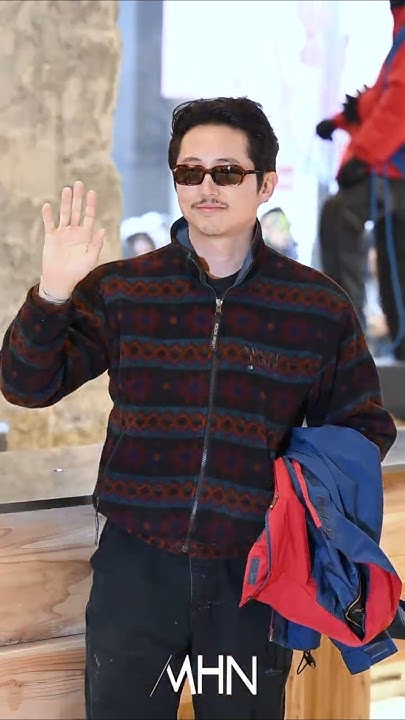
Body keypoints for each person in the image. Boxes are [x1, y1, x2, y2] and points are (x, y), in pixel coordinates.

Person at [0, 96, 397, 720]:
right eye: (190, 172)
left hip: (251, 578)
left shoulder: (317, 307)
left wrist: (293, 493)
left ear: (265, 184)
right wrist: (52, 292)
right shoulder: (124, 289)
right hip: (137, 573)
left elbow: (363, 427)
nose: (206, 187)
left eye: (227, 172)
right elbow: (26, 385)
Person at [316, 0, 405, 354]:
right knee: (396, 252)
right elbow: (383, 98)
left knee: (339, 215)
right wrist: (341, 120)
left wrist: (364, 155)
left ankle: (347, 341)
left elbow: (398, 103)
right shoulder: (400, 34)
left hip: (394, 172)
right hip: (395, 171)